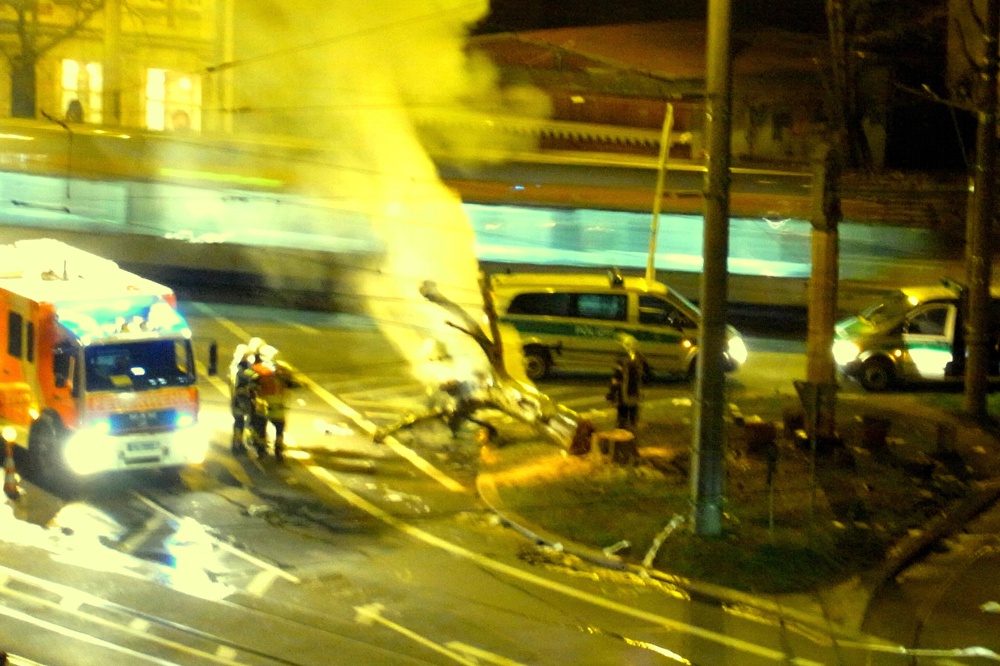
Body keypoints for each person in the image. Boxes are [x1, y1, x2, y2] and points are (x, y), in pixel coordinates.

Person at [247, 344, 300, 462]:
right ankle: (278, 451)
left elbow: (251, 385)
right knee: (279, 428)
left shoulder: (257, 369)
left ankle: (261, 451)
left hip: (262, 404)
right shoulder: (283, 370)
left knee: (261, 428)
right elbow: (293, 384)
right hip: (278, 405)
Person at [230, 337, 264, 454]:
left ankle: (236, 444)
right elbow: (254, 377)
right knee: (249, 421)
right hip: (243, 400)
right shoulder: (243, 370)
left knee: (238, 422)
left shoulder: (233, 368)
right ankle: (246, 443)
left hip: (235, 400)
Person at [606, 334, 644, 431]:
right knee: (632, 420)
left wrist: (611, 393)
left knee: (622, 422)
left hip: (623, 395)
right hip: (634, 393)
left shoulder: (622, 359)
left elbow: (616, 378)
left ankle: (623, 435)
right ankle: (632, 435)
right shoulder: (638, 358)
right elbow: (646, 374)